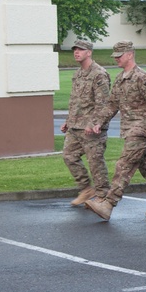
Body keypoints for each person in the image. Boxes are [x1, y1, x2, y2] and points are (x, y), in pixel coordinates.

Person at [84, 41, 146, 222]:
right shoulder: (120, 78)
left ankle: (108, 204)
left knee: (124, 166)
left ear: (130, 55)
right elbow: (112, 104)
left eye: (119, 56)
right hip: (129, 129)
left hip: (141, 129)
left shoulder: (143, 77)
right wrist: (99, 121)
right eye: (114, 56)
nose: (116, 59)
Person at [61, 39, 111, 207]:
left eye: (80, 50)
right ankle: (86, 189)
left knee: (95, 162)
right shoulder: (78, 74)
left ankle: (103, 196)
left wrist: (95, 123)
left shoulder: (99, 74)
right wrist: (68, 121)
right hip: (76, 126)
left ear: (89, 52)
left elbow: (103, 103)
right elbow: (75, 101)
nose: (76, 52)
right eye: (75, 49)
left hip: (92, 128)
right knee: (69, 156)